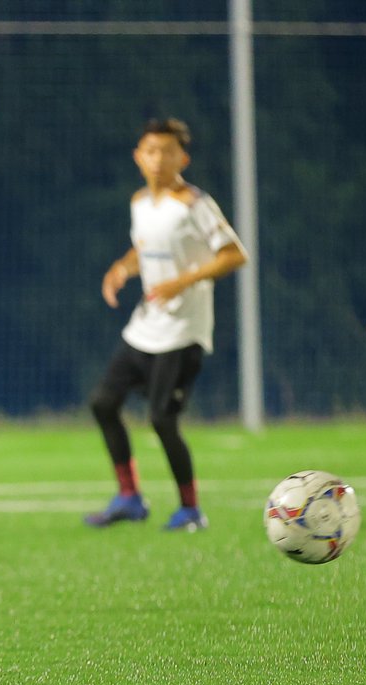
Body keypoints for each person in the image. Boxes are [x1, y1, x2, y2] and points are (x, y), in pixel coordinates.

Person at [85, 118, 248, 533]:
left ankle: (191, 510)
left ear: (183, 158)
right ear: (139, 157)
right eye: (151, 151)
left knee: (161, 419)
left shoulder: (195, 203)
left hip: (183, 332)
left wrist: (184, 279)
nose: (159, 159)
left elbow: (233, 255)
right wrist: (122, 268)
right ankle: (129, 498)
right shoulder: (140, 201)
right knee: (103, 403)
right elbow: (145, 249)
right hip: (145, 327)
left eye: (168, 151)